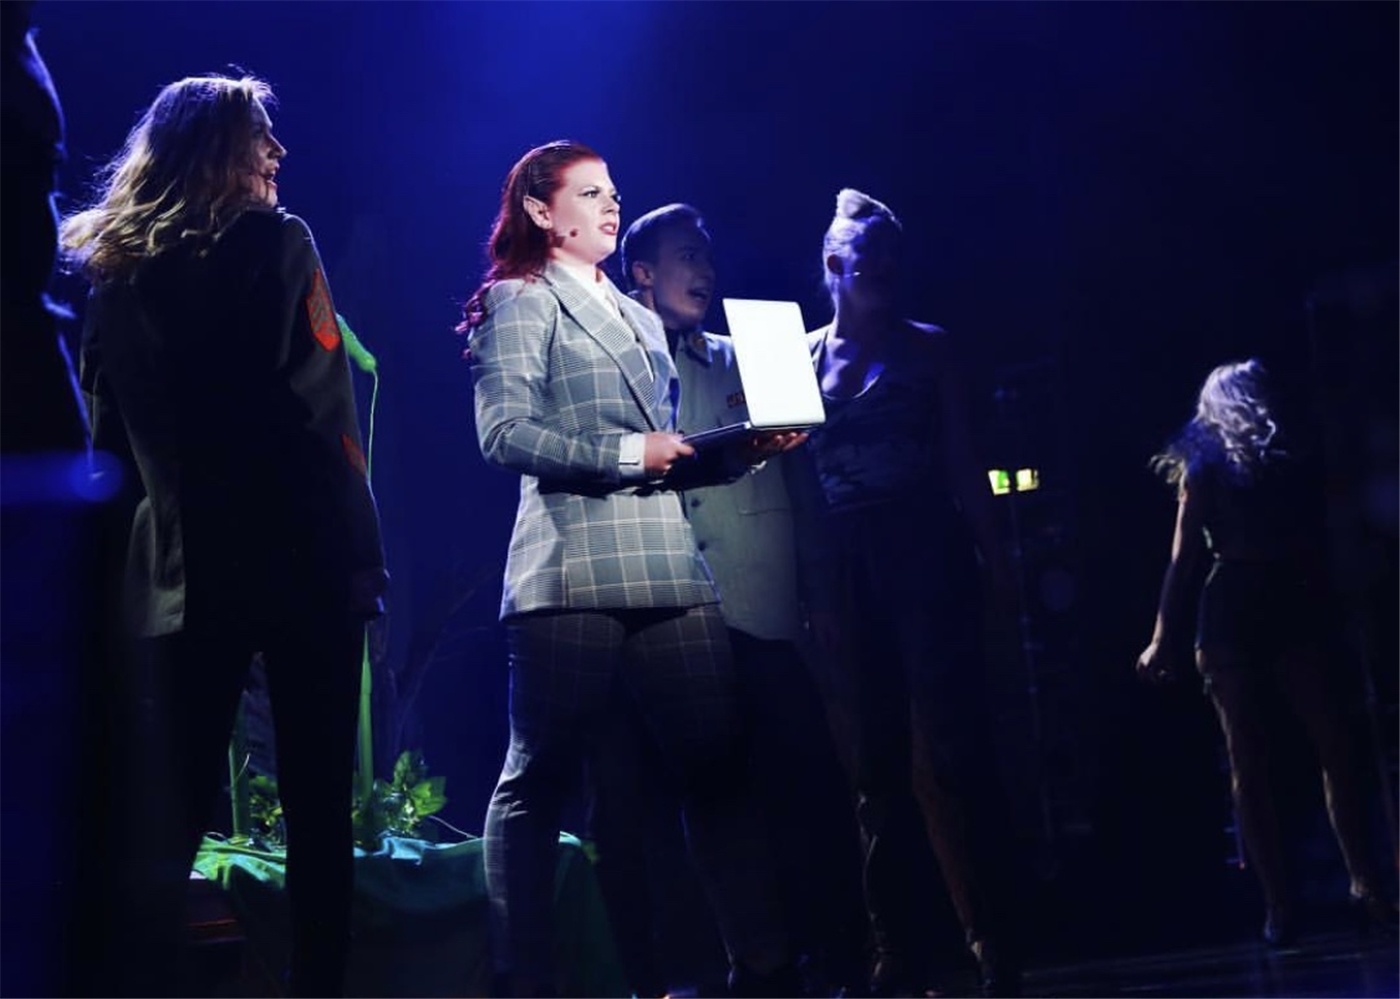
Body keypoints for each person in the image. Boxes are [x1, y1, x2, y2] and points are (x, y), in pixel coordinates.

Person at [60, 74, 388, 997]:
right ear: (216, 150)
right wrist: (362, 551)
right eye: (261, 136)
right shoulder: (277, 241)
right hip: (300, 560)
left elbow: (104, 445)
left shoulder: (115, 271)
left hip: (179, 573)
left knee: (169, 816)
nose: (278, 152)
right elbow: (324, 415)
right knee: (318, 808)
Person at [460, 141, 806, 999]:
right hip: (571, 568)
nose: (611, 205)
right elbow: (504, 434)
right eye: (590, 193)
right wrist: (630, 453)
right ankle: (521, 977)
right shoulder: (518, 299)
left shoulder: (640, 317)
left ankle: (765, 968)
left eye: (613, 192)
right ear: (540, 210)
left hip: (666, 563)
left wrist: (735, 454)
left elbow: (665, 455)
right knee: (539, 775)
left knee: (718, 766)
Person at [583, 202, 863, 996]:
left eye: (707, 254)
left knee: (809, 784)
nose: (704, 268)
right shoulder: (609, 362)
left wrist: (823, 595)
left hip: (759, 610)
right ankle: (748, 962)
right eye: (685, 255)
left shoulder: (763, 350)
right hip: (658, 615)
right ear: (641, 272)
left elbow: (806, 490)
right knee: (702, 800)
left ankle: (843, 956)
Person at [795, 188, 1023, 998]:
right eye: (870, 257)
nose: (887, 269)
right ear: (835, 264)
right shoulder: (800, 358)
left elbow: (964, 461)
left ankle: (996, 938)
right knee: (875, 764)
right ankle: (898, 946)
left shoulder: (928, 349)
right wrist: (814, 590)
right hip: (849, 562)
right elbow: (794, 485)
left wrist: (997, 562)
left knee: (959, 749)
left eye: (895, 256)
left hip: (925, 549)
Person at [1136, 358, 1398, 947]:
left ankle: (1364, 883)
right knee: (1249, 759)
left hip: (1291, 600)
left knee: (1334, 744)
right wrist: (1162, 637)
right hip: (1235, 610)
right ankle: (1279, 901)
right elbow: (1183, 559)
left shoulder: (1289, 457)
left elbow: (1326, 528)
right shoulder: (1205, 466)